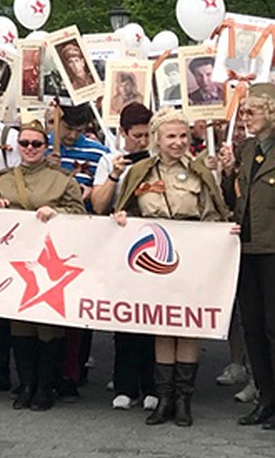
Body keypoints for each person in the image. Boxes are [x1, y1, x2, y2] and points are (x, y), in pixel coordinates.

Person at [112, 108, 229, 427]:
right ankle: (163, 400)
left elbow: (212, 212)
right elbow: (125, 208)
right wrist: (122, 218)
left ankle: (183, 401)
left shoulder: (200, 170)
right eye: (171, 136)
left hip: (190, 258)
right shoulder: (140, 172)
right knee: (162, 326)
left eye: (182, 136)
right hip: (156, 259)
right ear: (156, 139)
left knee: (186, 327)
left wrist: (223, 233)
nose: (178, 143)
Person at [0, 116, 85, 411]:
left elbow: (79, 213)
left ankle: (46, 386)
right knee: (20, 324)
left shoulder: (62, 179)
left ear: (46, 146)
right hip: (14, 260)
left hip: (49, 262)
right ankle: (27, 384)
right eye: (24, 143)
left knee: (46, 323)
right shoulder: (4, 179)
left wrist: (56, 211)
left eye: (36, 143)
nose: (30, 148)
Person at [89, 102, 158, 412]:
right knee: (126, 316)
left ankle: (152, 384)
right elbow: (99, 205)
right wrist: (115, 176)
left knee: (153, 316)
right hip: (121, 246)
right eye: (137, 135)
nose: (142, 142)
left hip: (153, 244)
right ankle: (125, 383)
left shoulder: (160, 160)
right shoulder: (108, 161)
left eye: (147, 135)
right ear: (123, 133)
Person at [221, 84, 275, 429]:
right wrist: (227, 172)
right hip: (248, 248)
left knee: (273, 327)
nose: (245, 118)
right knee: (252, 326)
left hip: (272, 249)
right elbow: (232, 199)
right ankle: (266, 397)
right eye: (243, 112)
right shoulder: (246, 149)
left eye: (251, 111)